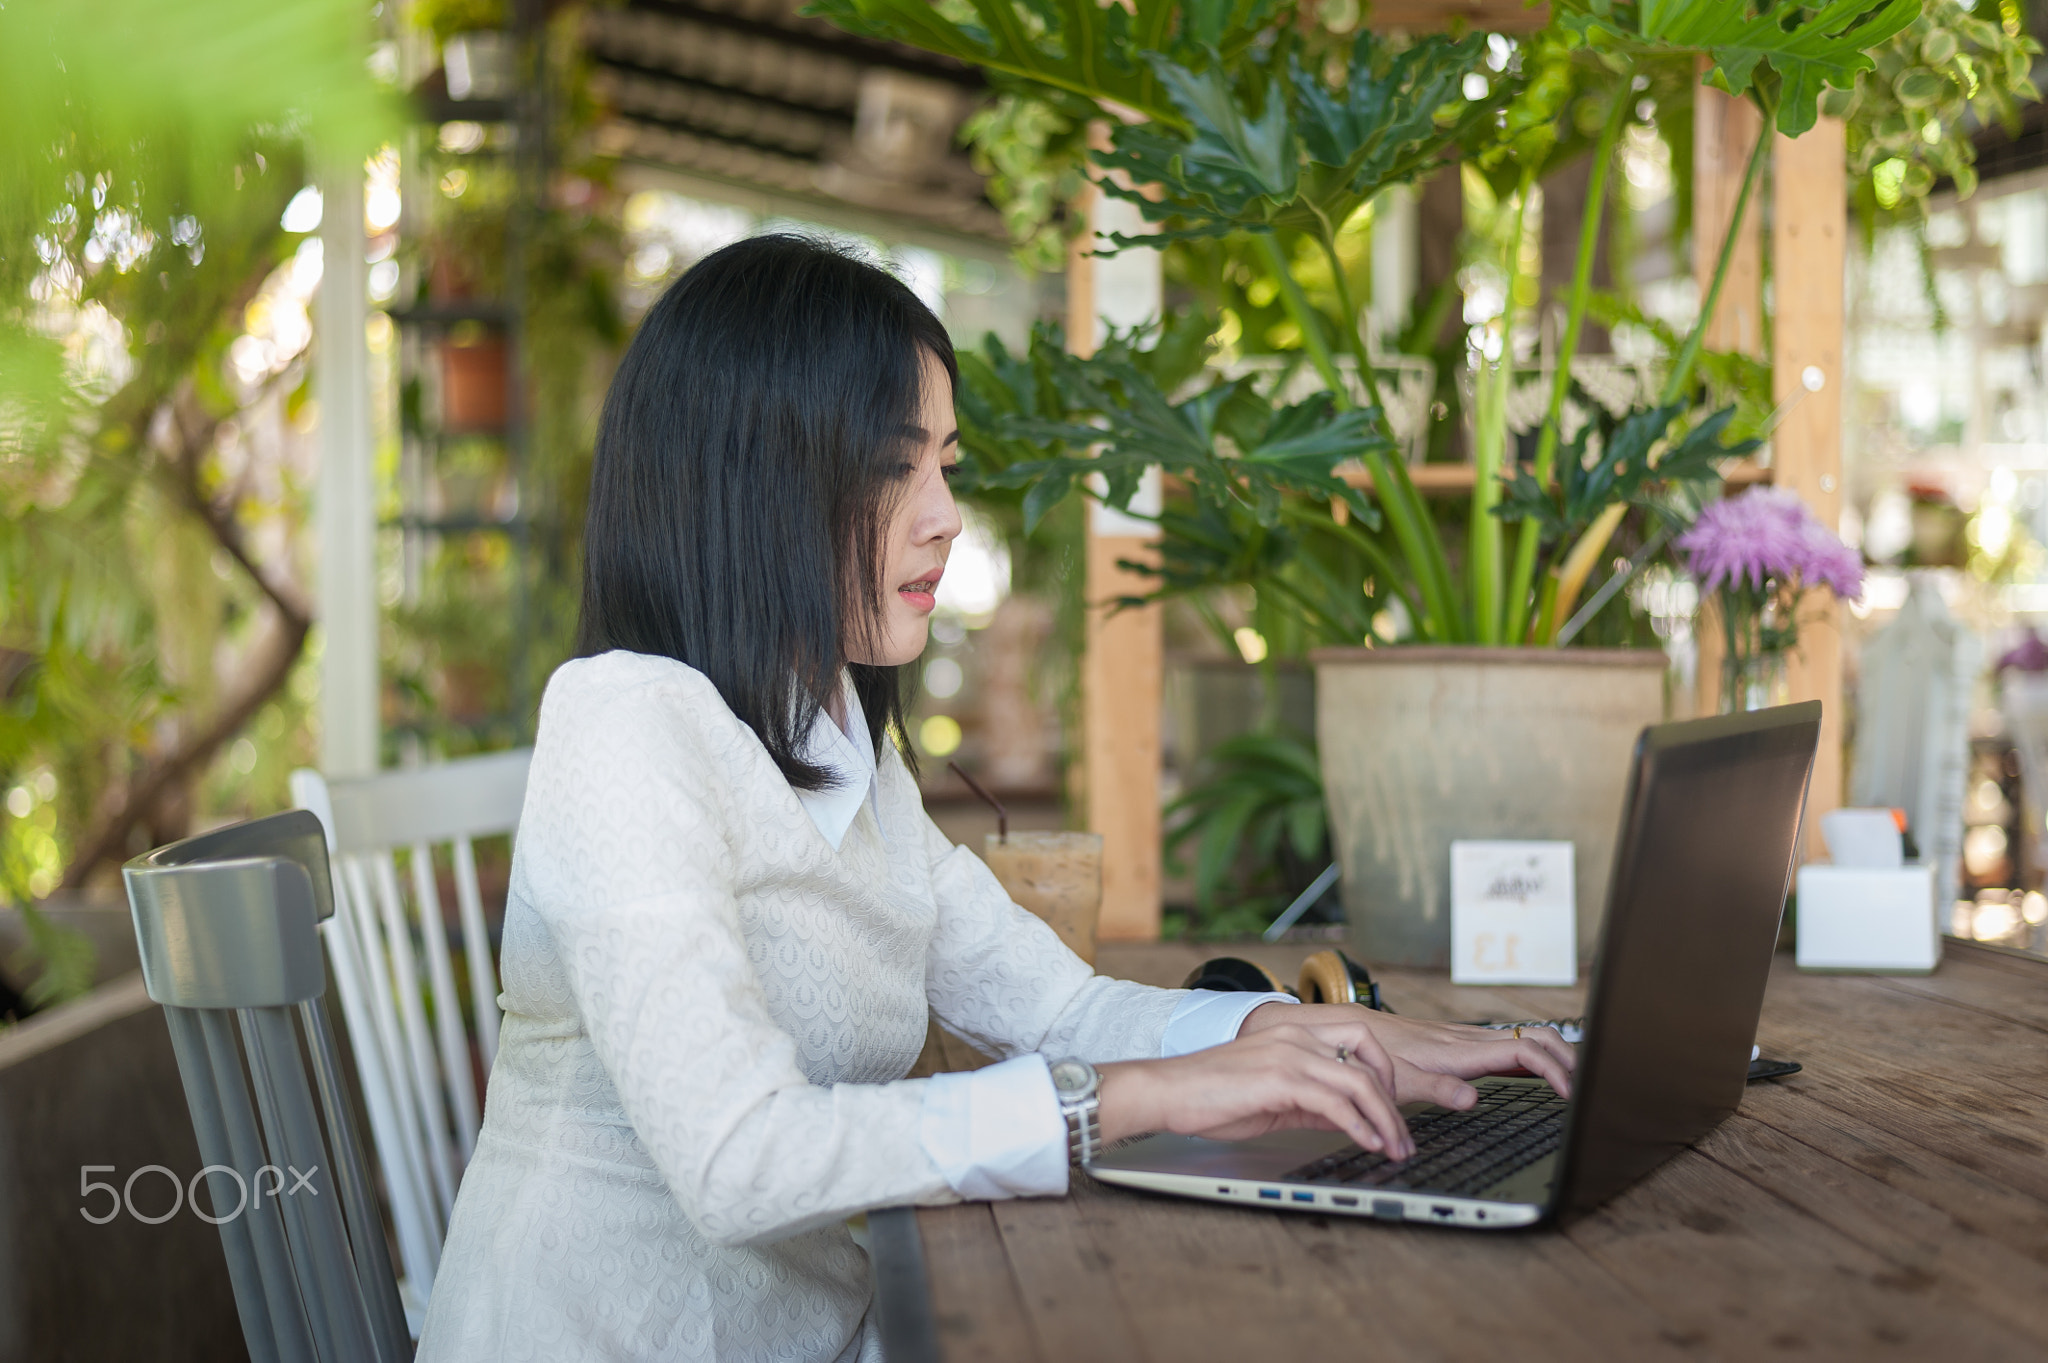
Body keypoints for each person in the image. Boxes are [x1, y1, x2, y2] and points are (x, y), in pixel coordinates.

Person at [416, 235, 1573, 1363]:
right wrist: (1116, 1101)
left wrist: (1307, 1035)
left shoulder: (846, 755)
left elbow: (1056, 1012)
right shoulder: (626, 724)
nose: (944, 514)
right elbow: (737, 1158)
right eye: (891, 465)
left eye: (946, 467)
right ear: (751, 478)